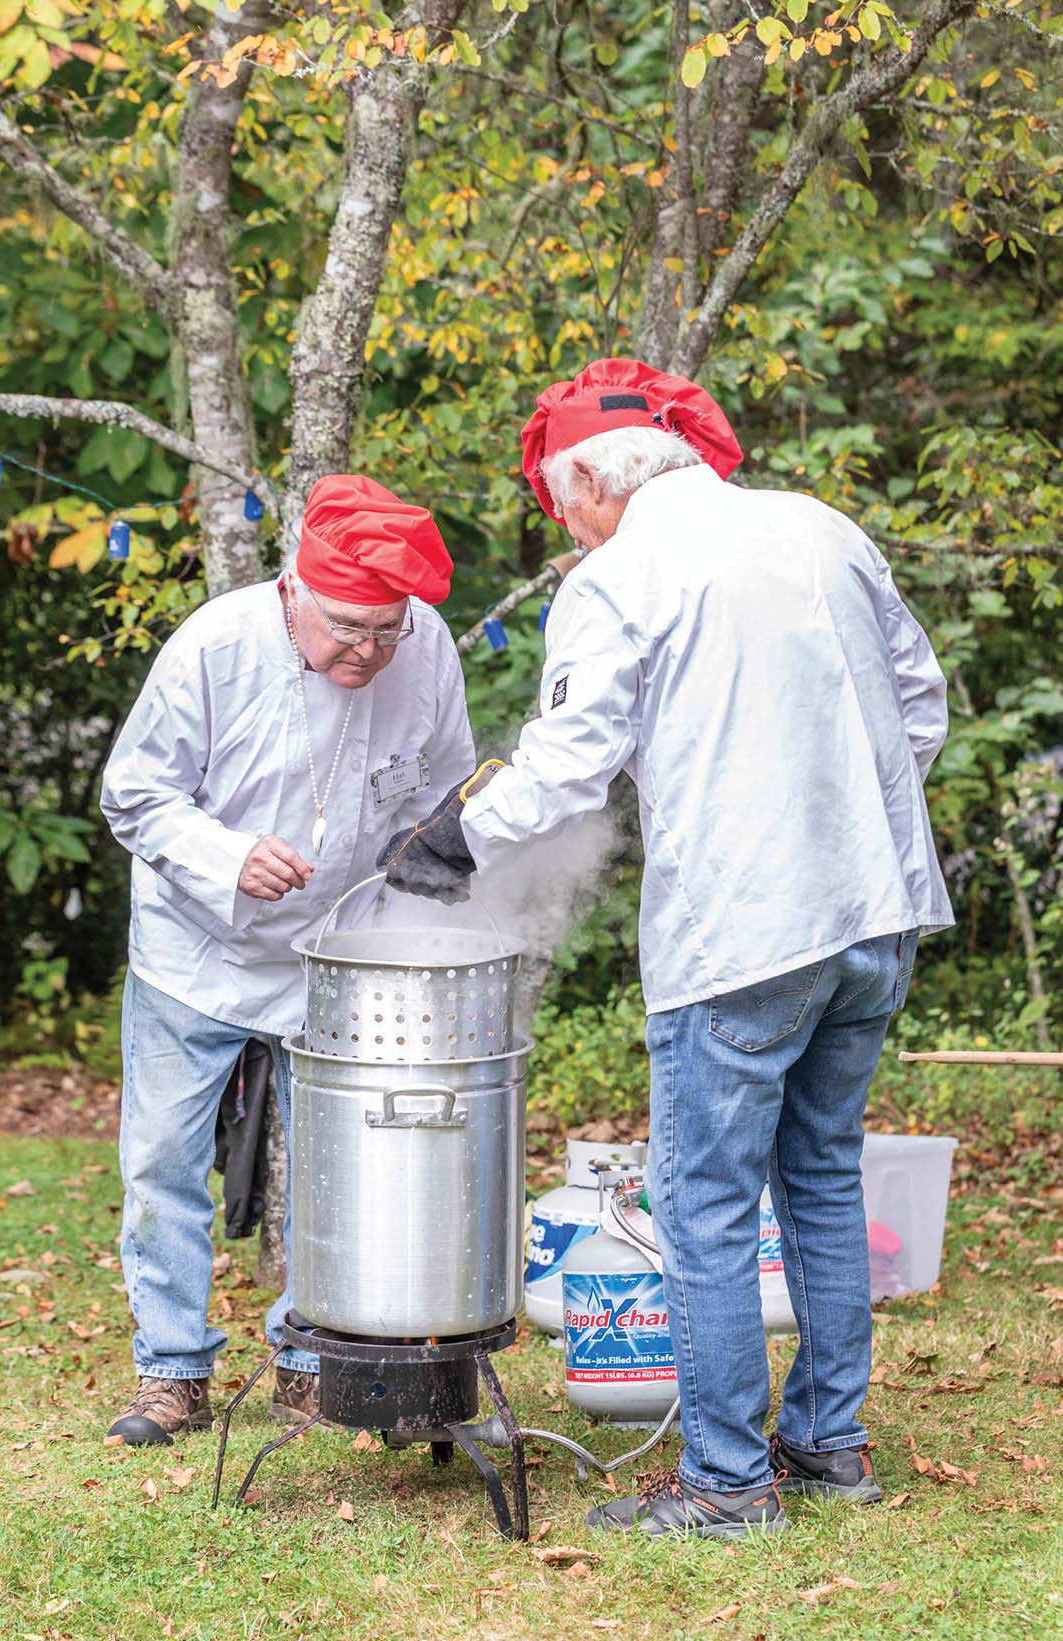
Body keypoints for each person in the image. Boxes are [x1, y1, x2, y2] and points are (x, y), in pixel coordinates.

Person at [380, 357, 954, 1539]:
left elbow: (567, 762)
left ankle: (727, 1486)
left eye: (560, 504)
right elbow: (918, 706)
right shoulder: (820, 529)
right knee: (820, 1184)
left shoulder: (618, 575)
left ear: (596, 477)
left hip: (743, 935)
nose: (566, 527)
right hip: (877, 910)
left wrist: (454, 838)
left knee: (698, 1205)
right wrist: (841, 819)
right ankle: (830, 1447)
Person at [100, 475, 475, 1446]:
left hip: (343, 950)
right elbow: (133, 796)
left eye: (387, 630)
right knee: (161, 1162)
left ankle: (311, 1360)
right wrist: (227, 857)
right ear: (292, 592)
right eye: (349, 627)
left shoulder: (420, 649)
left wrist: (418, 912)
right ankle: (171, 1372)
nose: (369, 651)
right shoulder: (216, 647)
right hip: (199, 948)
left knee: (341, 1164)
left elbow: (442, 793)